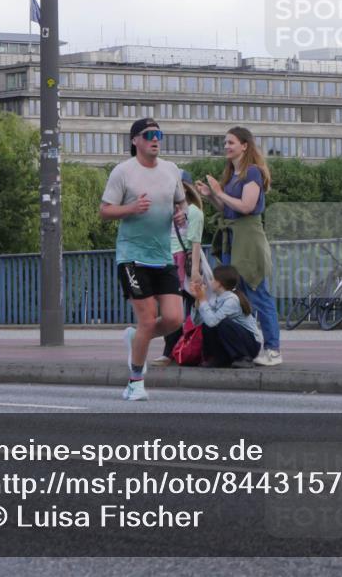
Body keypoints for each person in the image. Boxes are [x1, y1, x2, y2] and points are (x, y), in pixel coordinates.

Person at [100, 118, 187, 401]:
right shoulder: (123, 172)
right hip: (132, 257)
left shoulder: (171, 169)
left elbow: (181, 201)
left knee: (175, 318)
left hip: (162, 255)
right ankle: (135, 382)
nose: (155, 139)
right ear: (135, 140)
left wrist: (181, 213)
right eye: (149, 135)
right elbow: (105, 211)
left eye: (158, 134)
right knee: (148, 320)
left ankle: (137, 337)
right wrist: (132, 208)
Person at [196, 126, 282, 367]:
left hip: (248, 239)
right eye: (225, 143)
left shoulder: (252, 172)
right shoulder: (232, 176)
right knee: (234, 293)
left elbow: (246, 206)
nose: (226, 146)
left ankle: (273, 349)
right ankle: (241, 348)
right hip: (232, 238)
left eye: (231, 142)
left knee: (258, 293)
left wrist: (219, 192)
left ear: (245, 145)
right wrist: (211, 196)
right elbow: (229, 210)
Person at [152, 174, 206, 367]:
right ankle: (170, 350)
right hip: (168, 262)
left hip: (187, 263)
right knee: (170, 311)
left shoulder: (194, 212)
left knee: (193, 310)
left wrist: (196, 271)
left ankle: (191, 348)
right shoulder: (165, 211)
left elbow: (196, 243)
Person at [192, 264, 263, 368]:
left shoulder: (231, 300)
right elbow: (198, 322)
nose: (209, 282)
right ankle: (218, 358)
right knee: (208, 322)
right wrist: (198, 299)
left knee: (222, 323)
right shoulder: (215, 298)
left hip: (251, 346)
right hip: (237, 341)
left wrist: (203, 300)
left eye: (212, 279)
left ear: (220, 283)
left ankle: (243, 358)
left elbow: (213, 322)